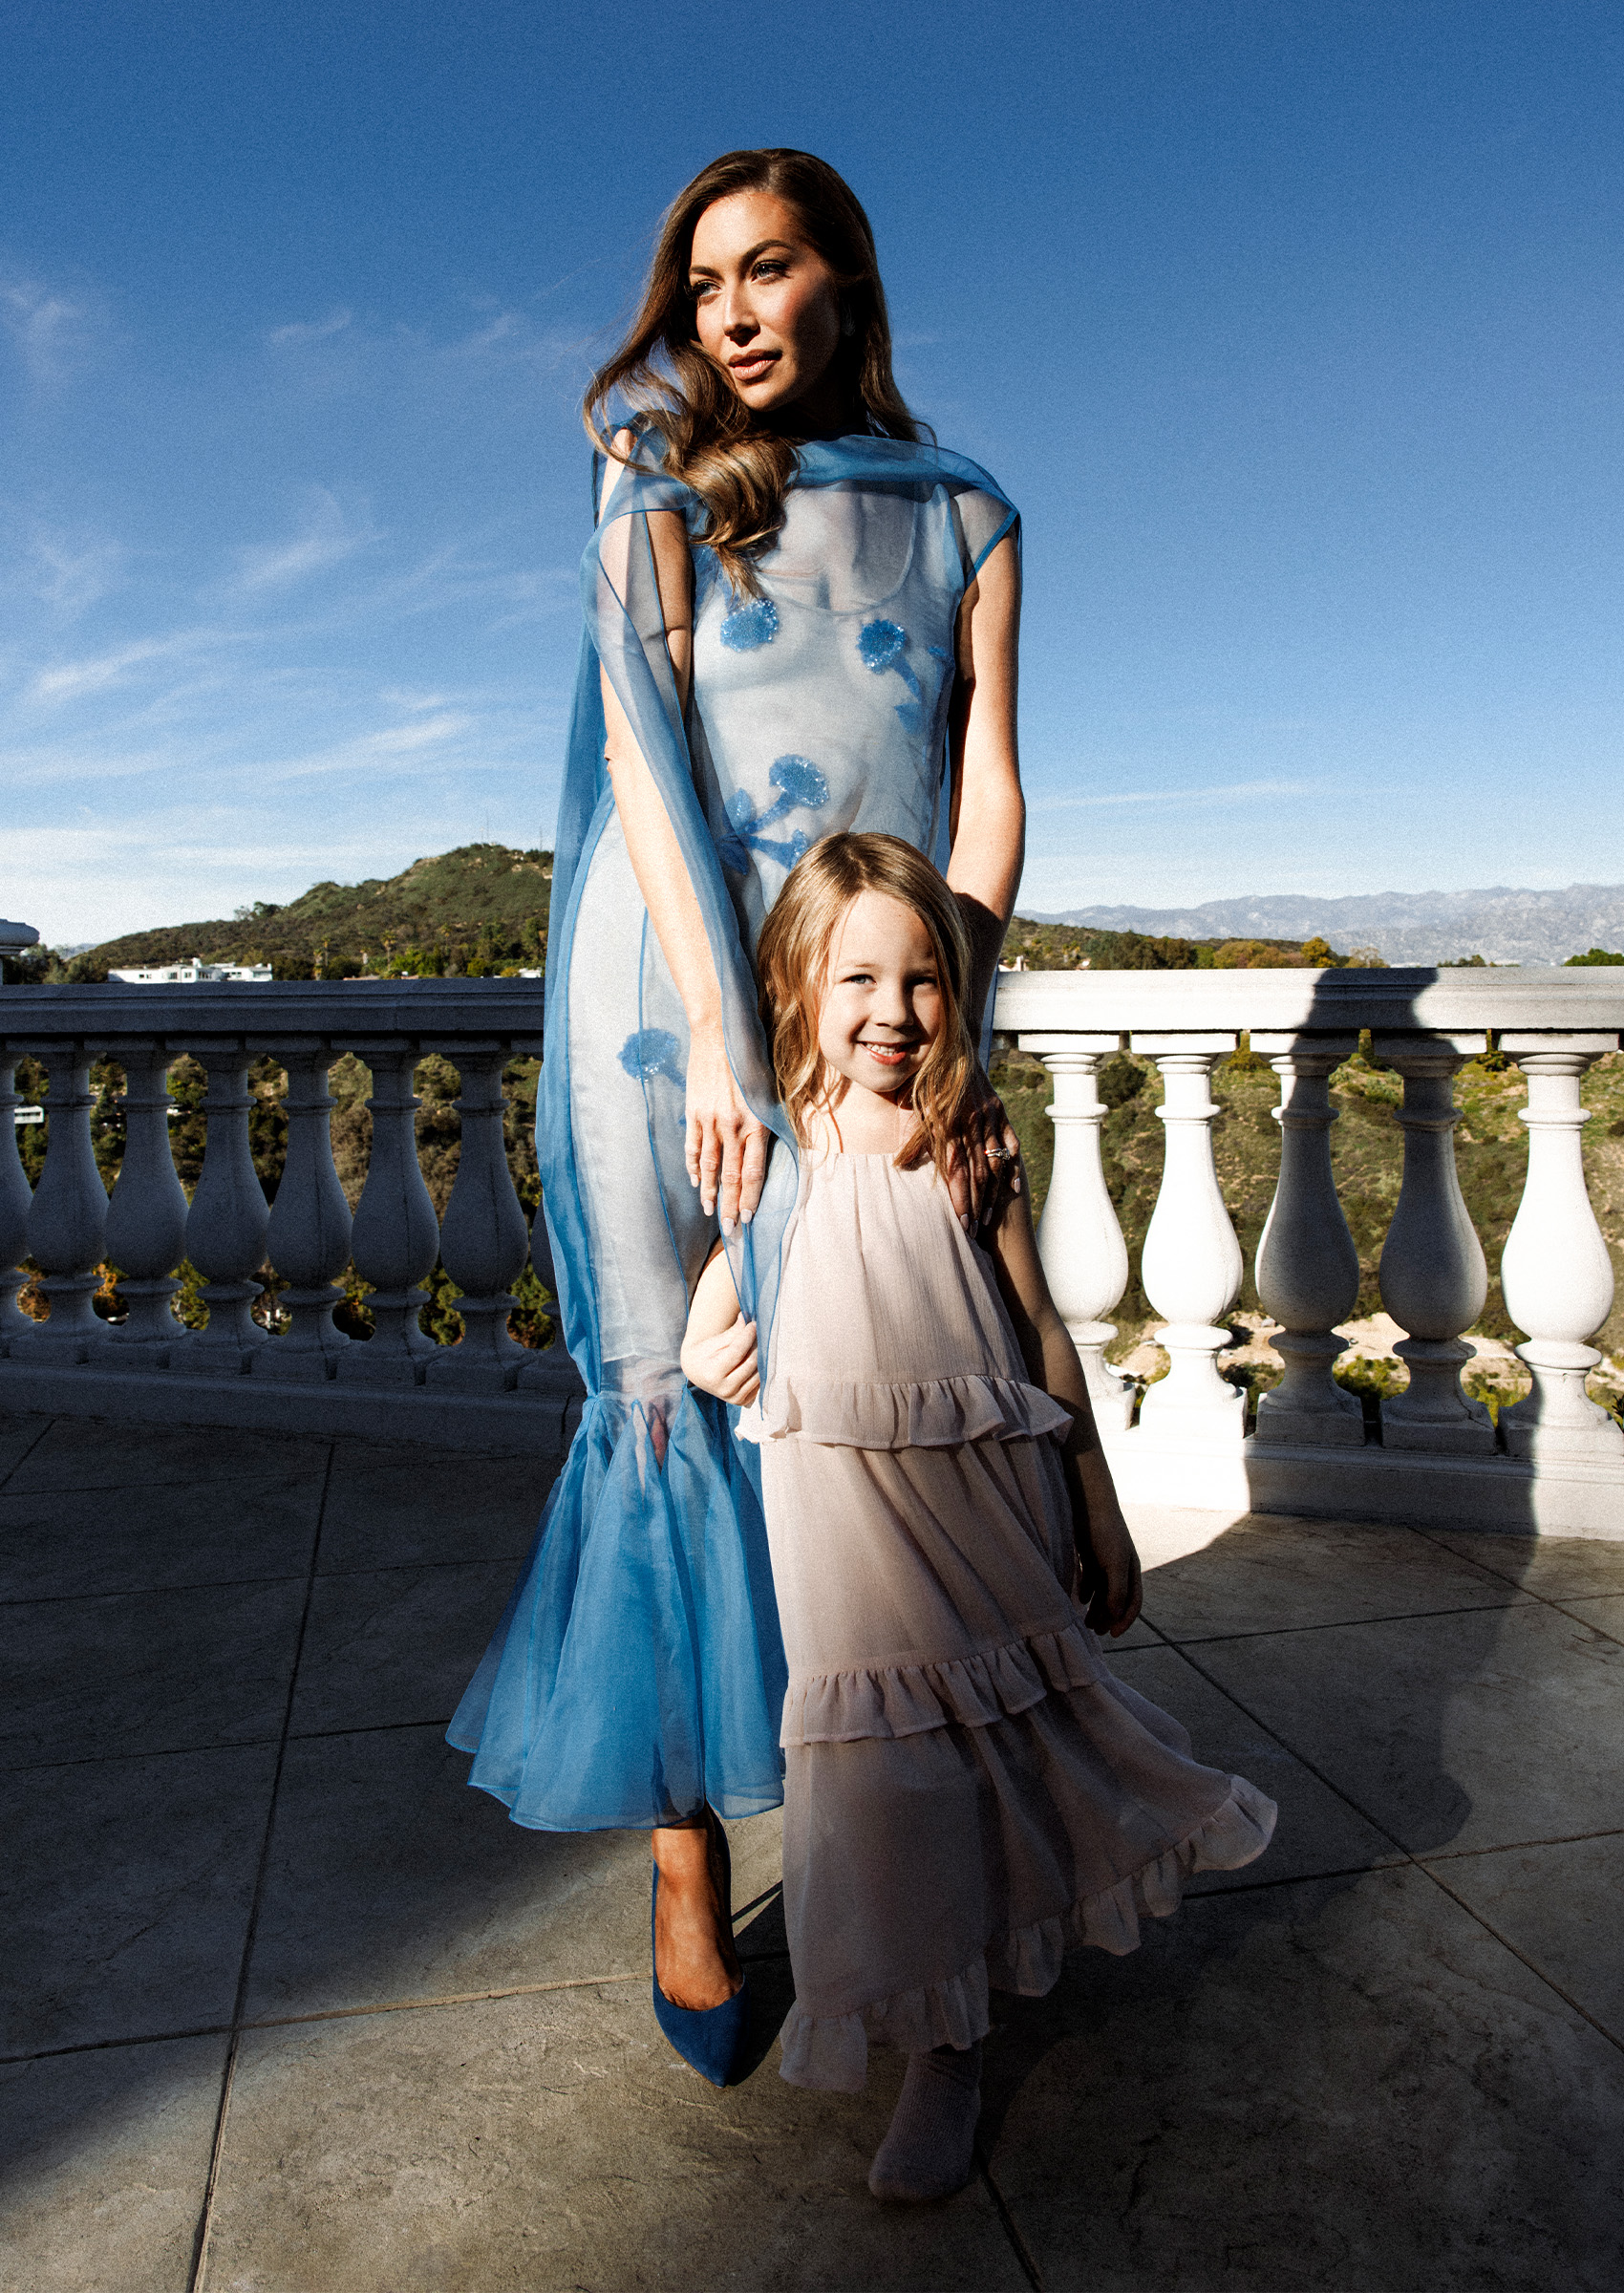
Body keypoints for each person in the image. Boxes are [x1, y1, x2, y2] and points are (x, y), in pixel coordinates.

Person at [447, 150, 1027, 2081]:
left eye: (767, 270)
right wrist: (712, 1037)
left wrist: (961, 1027)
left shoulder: (965, 516)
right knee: (664, 1400)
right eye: (702, 285)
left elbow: (987, 794)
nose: (731, 314)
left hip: (865, 1014)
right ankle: (686, 1853)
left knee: (864, 1420)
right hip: (661, 1009)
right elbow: (643, 753)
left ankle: (887, 1841)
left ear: (842, 279)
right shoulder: (656, 486)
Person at [682, 832, 1278, 2200]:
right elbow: (723, 1305)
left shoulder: (966, 1136)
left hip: (979, 1499)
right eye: (858, 979)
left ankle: (962, 2030)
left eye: (924, 981)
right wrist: (714, 1345)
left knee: (997, 1741)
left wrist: (1101, 1514)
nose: (893, 1013)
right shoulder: (769, 1141)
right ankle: (934, 2040)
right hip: (838, 1515)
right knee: (883, 1772)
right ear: (796, 982)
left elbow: (1043, 1338)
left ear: (956, 990)